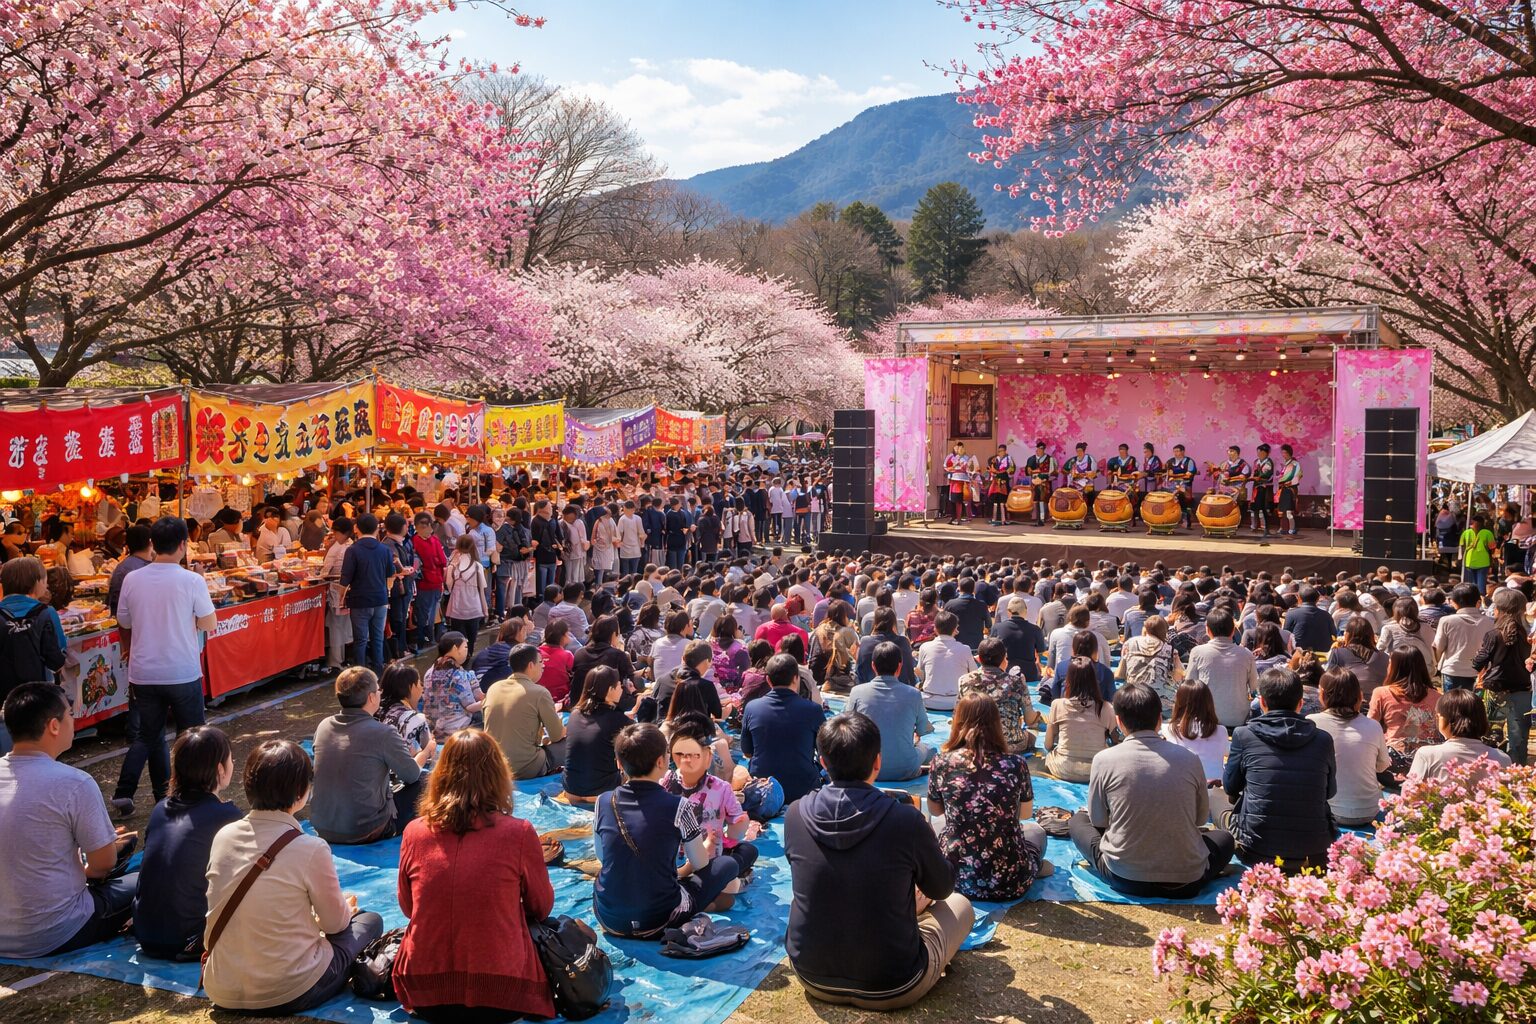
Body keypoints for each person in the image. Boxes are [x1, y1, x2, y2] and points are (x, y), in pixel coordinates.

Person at [785, 711, 975, 1009]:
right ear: (877, 762)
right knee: (961, 906)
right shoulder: (905, 821)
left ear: (823, 762)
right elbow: (942, 889)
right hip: (895, 984)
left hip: (812, 975)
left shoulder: (795, 813)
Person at [202, 739, 384, 1012]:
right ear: (302, 792)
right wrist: (343, 911)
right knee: (369, 921)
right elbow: (335, 926)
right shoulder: (309, 848)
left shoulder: (223, 837)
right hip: (290, 988)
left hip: (222, 985)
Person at [393, 729, 556, 1024]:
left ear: (440, 775)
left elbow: (408, 908)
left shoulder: (414, 832)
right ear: (498, 775)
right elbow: (541, 908)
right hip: (504, 996)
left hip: (425, 992)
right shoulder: (518, 833)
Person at [0, 683, 137, 958]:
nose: (73, 722)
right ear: (53, 726)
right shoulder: (74, 783)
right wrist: (90, 865)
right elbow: (103, 865)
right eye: (70, 716)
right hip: (56, 930)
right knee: (150, 879)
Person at [1070, 683, 1236, 898]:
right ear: (1159, 719)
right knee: (1224, 838)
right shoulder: (1189, 759)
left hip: (1126, 877)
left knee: (1077, 821)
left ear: (1119, 722)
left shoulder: (1104, 759)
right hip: (1187, 879)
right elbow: (1200, 819)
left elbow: (1098, 820)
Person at [593, 723, 741, 937]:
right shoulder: (679, 806)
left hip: (609, 918)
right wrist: (703, 849)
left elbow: (602, 856)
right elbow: (700, 864)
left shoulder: (603, 801)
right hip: (661, 918)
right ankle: (702, 904)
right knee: (727, 864)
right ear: (663, 761)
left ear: (619, 763)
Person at [111, 517, 216, 816]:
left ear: (152, 544)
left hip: (144, 672)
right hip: (182, 670)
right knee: (192, 735)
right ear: (183, 545)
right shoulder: (191, 580)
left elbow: (124, 621)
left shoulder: (133, 578)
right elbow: (209, 622)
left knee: (147, 734)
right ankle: (190, 793)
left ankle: (124, 792)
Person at [131, 726, 241, 959]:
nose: (233, 764)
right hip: (188, 939)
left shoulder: (161, 809)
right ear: (220, 769)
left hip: (145, 932)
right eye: (231, 759)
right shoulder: (226, 817)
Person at [927, 693, 1050, 900]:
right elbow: (1026, 814)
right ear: (996, 723)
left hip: (957, 878)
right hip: (1010, 880)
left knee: (937, 825)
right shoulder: (1016, 764)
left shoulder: (941, 762)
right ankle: (1037, 867)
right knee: (1036, 832)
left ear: (957, 721)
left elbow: (935, 810)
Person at [1223, 667, 1337, 873]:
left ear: (1263, 703)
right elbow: (1330, 792)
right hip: (1314, 851)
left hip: (1257, 850)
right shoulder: (1322, 739)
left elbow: (1230, 786)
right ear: (1301, 704)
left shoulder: (1244, 735)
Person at [310, 667, 429, 844]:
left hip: (323, 826)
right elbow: (411, 775)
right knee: (428, 780)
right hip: (365, 829)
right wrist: (425, 753)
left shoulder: (323, 726)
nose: (380, 694)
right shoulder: (383, 733)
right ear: (371, 697)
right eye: (378, 691)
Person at [662, 715, 757, 880]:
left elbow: (736, 826)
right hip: (702, 864)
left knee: (745, 852)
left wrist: (740, 824)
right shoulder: (720, 788)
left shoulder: (663, 783)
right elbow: (736, 831)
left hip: (677, 863)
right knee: (743, 855)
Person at [0, 556, 68, 754]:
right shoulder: (46, 613)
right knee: (37, 751)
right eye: (44, 579)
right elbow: (56, 658)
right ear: (36, 582)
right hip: (38, 696)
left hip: (3, 699)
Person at [739, 652, 826, 802]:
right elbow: (824, 752)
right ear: (796, 678)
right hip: (802, 789)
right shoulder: (813, 710)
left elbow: (747, 752)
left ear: (768, 680)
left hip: (763, 790)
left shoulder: (752, 708)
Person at [1308, 669, 1389, 827]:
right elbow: (1382, 766)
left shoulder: (1312, 723)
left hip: (1329, 811)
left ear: (1322, 694)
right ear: (1359, 695)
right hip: (1370, 810)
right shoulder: (1373, 726)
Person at [848, 641, 934, 781]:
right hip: (906, 768)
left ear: (873, 666)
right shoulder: (913, 694)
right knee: (929, 749)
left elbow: (847, 727)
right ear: (899, 666)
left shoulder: (857, 692)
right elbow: (924, 729)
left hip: (866, 768)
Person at [483, 643, 568, 779]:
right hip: (526, 767)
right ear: (531, 665)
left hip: (494, 765)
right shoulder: (539, 692)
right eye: (541, 662)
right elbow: (556, 735)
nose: (543, 666)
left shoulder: (494, 688)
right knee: (572, 741)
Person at [1470, 586, 1532, 765]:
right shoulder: (1528, 634)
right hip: (1523, 688)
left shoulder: (1494, 634)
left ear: (1498, 610)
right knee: (1519, 735)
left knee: (1491, 731)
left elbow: (1478, 662)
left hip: (1495, 689)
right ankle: (1517, 770)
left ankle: (1491, 768)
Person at [1406, 688, 1513, 782]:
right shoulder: (1502, 759)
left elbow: (1408, 796)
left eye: (1438, 717)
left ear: (1442, 719)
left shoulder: (1427, 755)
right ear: (1482, 720)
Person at [1160, 680, 1230, 821]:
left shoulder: (1167, 730)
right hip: (1214, 797)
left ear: (1179, 702)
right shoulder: (1220, 731)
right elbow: (1229, 754)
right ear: (1209, 702)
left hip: (1184, 797)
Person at [1367, 647, 1442, 778]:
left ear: (1395, 667)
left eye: (1390, 663)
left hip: (1393, 763)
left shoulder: (1381, 693)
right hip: (1428, 763)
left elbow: (1370, 726)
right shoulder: (1436, 696)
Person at [1042, 656, 1119, 782]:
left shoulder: (1057, 705)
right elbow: (1117, 741)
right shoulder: (1106, 708)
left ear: (1068, 680)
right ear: (1094, 680)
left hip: (1062, 768)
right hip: (1097, 770)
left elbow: (1048, 744)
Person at [959, 637, 1040, 753]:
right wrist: (1037, 716)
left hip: (975, 743)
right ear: (1003, 659)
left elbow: (959, 716)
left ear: (979, 659)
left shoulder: (965, 680)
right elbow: (1029, 719)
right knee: (1033, 727)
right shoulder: (1017, 681)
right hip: (1011, 745)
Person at [563, 666, 630, 801]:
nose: (621, 689)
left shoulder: (575, 714)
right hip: (601, 791)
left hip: (571, 788)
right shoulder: (618, 720)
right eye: (619, 685)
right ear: (610, 690)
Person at [1185, 608, 1258, 729]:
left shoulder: (1198, 652)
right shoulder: (1246, 654)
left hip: (1206, 721)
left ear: (1208, 630)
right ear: (1233, 631)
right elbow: (1254, 688)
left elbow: (1189, 685)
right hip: (1238, 719)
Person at [340, 513, 394, 674]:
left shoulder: (353, 550)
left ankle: (360, 674)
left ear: (357, 529)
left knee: (361, 640)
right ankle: (378, 672)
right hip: (380, 599)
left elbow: (345, 579)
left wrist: (341, 598)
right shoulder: (384, 549)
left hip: (359, 600)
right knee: (377, 638)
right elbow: (390, 573)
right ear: (377, 529)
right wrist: (387, 591)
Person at [422, 632, 485, 740]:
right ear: (455, 648)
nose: (467, 651)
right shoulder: (458, 675)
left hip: (433, 730)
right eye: (465, 647)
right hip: (456, 730)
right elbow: (470, 707)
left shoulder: (429, 672)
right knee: (481, 716)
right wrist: (490, 700)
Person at [1432, 582, 1495, 690]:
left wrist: (1435, 664)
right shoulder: (1490, 622)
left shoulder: (1446, 621)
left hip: (1452, 670)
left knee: (1451, 705)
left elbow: (1438, 647)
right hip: (1480, 673)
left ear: (1454, 603)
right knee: (1475, 705)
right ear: (1478, 601)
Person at [1115, 613, 1183, 712]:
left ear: (1145, 628)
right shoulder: (1170, 650)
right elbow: (1178, 678)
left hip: (1135, 698)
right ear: (1165, 631)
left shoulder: (1129, 644)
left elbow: (1120, 674)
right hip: (1161, 704)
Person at [914, 610, 976, 711]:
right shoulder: (965, 649)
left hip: (929, 701)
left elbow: (920, 672)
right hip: (956, 702)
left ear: (935, 629)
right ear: (955, 629)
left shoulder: (925, 647)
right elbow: (973, 674)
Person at [376, 662, 435, 766]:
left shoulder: (376, 712)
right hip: (403, 777)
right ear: (410, 687)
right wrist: (429, 747)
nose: (422, 687)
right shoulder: (416, 718)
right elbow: (429, 754)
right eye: (419, 683)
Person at [1324, 617, 1390, 700]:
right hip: (1376, 703)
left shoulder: (1337, 653)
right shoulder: (1384, 657)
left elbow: (1327, 681)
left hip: (1345, 704)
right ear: (1372, 636)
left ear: (1347, 635)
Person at [444, 534, 489, 656]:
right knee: (471, 641)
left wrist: (451, 565)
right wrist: (485, 609)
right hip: (474, 607)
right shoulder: (477, 566)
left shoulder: (453, 565)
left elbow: (448, 585)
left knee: (458, 642)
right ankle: (468, 662)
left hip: (457, 607)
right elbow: (482, 590)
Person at [411, 511, 448, 650]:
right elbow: (438, 560)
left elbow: (442, 561)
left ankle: (429, 638)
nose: (430, 530)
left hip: (435, 582)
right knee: (424, 612)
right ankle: (424, 638)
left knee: (432, 612)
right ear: (419, 527)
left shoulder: (432, 540)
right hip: (424, 583)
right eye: (426, 527)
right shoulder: (416, 542)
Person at [854, 607, 918, 686]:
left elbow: (859, 670)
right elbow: (910, 671)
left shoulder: (865, 641)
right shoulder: (903, 642)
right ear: (894, 623)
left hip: (868, 687)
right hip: (900, 688)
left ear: (875, 623)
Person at [991, 596, 1046, 687]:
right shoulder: (1035, 629)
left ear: (1008, 612)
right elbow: (1040, 652)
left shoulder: (997, 628)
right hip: (1029, 674)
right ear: (1025, 611)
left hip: (1004, 673)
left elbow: (991, 649)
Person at [1282, 586, 1336, 653]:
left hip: (1299, 654)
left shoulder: (1291, 614)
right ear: (1318, 599)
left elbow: (1285, 635)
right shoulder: (1326, 615)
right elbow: (1334, 634)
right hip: (1324, 652)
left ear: (1299, 599)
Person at [942, 576, 991, 650]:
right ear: (974, 589)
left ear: (959, 588)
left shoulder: (950, 605)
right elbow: (989, 624)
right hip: (976, 647)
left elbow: (943, 625)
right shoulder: (982, 605)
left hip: (954, 647)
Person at [1458, 513, 1496, 594]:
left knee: (1472, 583)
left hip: (1469, 561)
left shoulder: (1466, 533)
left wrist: (1462, 558)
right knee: (1481, 583)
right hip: (1483, 561)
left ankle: (1474, 598)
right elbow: (1492, 548)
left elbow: (1462, 546)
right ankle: (1480, 598)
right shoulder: (1487, 533)